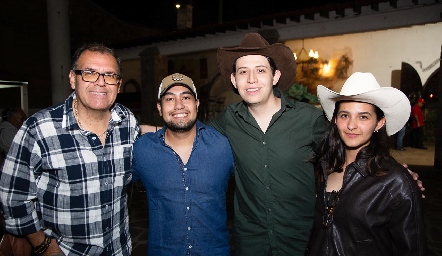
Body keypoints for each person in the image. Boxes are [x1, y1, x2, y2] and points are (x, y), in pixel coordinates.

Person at [141, 33, 425, 255]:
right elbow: (188, 130)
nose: (251, 79)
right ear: (233, 80)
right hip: (249, 244)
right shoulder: (227, 121)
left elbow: (349, 140)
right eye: (243, 72)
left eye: (260, 71)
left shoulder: (308, 119)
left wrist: (391, 171)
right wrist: (147, 128)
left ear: (275, 76)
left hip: (300, 242)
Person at [0, 43, 139, 256]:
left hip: (119, 249)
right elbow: (13, 197)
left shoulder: (128, 122)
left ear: (118, 85)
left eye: (110, 75)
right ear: (73, 79)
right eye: (90, 73)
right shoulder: (40, 129)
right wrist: (43, 244)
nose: (101, 82)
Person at [307, 72, 427, 255]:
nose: (351, 125)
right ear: (335, 119)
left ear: (379, 123)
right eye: (344, 115)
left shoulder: (396, 182)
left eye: (363, 117)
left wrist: (406, 184)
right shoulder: (326, 165)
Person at [132, 73, 235, 255]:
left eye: (186, 97)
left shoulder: (222, 145)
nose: (179, 105)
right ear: (159, 107)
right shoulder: (142, 149)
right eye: (169, 99)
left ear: (197, 103)